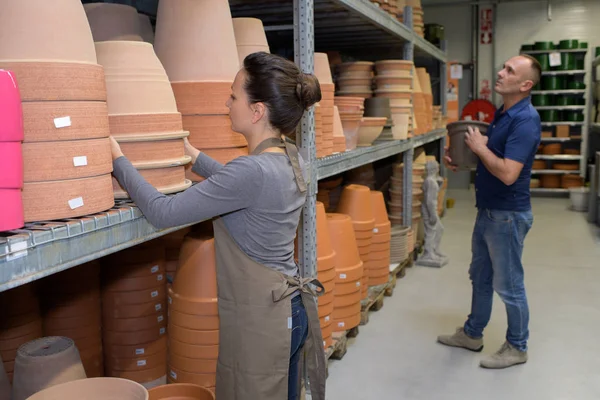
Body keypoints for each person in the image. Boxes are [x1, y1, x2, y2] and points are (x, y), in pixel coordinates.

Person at [110, 52, 326, 400]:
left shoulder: (251, 171)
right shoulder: (292, 155)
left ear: (257, 111)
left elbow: (163, 212)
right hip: (289, 312)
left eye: (233, 96)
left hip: (262, 322)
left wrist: (118, 159)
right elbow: (242, 186)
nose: (227, 103)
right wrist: (194, 156)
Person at [438, 54, 542, 369]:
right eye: (503, 66)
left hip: (508, 215)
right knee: (480, 276)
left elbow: (509, 173)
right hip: (489, 211)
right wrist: (462, 160)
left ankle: (517, 346)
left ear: (525, 84)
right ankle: (472, 334)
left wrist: (479, 148)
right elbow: (491, 159)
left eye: (509, 70)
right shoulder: (503, 113)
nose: (500, 72)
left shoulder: (526, 119)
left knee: (509, 284)